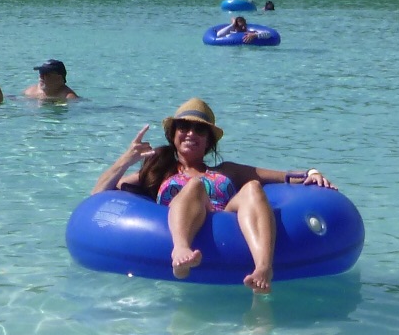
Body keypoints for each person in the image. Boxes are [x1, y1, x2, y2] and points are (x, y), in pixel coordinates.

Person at [90, 99, 334, 293]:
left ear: (208, 141)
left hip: (223, 213)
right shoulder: (159, 170)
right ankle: (181, 250)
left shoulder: (227, 170)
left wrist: (312, 173)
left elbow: (284, 176)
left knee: (252, 187)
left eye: (199, 129)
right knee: (195, 186)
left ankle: (263, 267)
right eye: (183, 127)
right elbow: (98, 195)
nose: (190, 133)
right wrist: (126, 159)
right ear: (173, 134)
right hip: (182, 216)